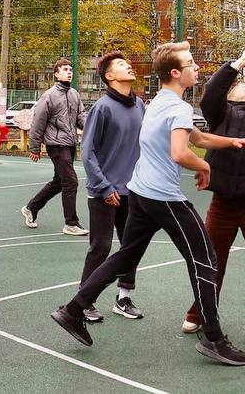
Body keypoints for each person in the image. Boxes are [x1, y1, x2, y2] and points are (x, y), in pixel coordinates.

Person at [50, 41, 245, 367]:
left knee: (127, 254)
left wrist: (233, 141)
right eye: (191, 63)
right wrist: (205, 166)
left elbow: (198, 139)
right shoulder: (176, 107)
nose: (196, 68)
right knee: (205, 259)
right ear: (176, 73)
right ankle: (213, 337)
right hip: (163, 198)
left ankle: (73, 310)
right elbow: (180, 152)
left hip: (141, 193)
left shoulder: (160, 101)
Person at [183, 48, 245, 349]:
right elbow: (209, 95)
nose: (244, 83)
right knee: (210, 263)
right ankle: (199, 313)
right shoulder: (221, 115)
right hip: (222, 206)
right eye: (240, 83)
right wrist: (237, 64)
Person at [76, 51, 145, 323]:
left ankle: (123, 298)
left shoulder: (140, 105)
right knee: (100, 248)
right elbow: (87, 151)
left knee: (131, 246)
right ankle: (85, 300)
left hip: (133, 191)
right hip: (104, 192)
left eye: (127, 62)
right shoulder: (102, 107)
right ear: (109, 76)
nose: (128, 65)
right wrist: (104, 187)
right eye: (120, 64)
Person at [21, 58, 88, 236]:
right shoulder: (49, 95)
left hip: (70, 143)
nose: (69, 72)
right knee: (71, 181)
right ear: (57, 74)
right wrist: (34, 148)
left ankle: (31, 208)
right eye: (65, 69)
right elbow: (38, 123)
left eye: (70, 69)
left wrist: (92, 128)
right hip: (55, 144)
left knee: (60, 182)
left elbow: (81, 117)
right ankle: (71, 223)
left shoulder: (74, 94)